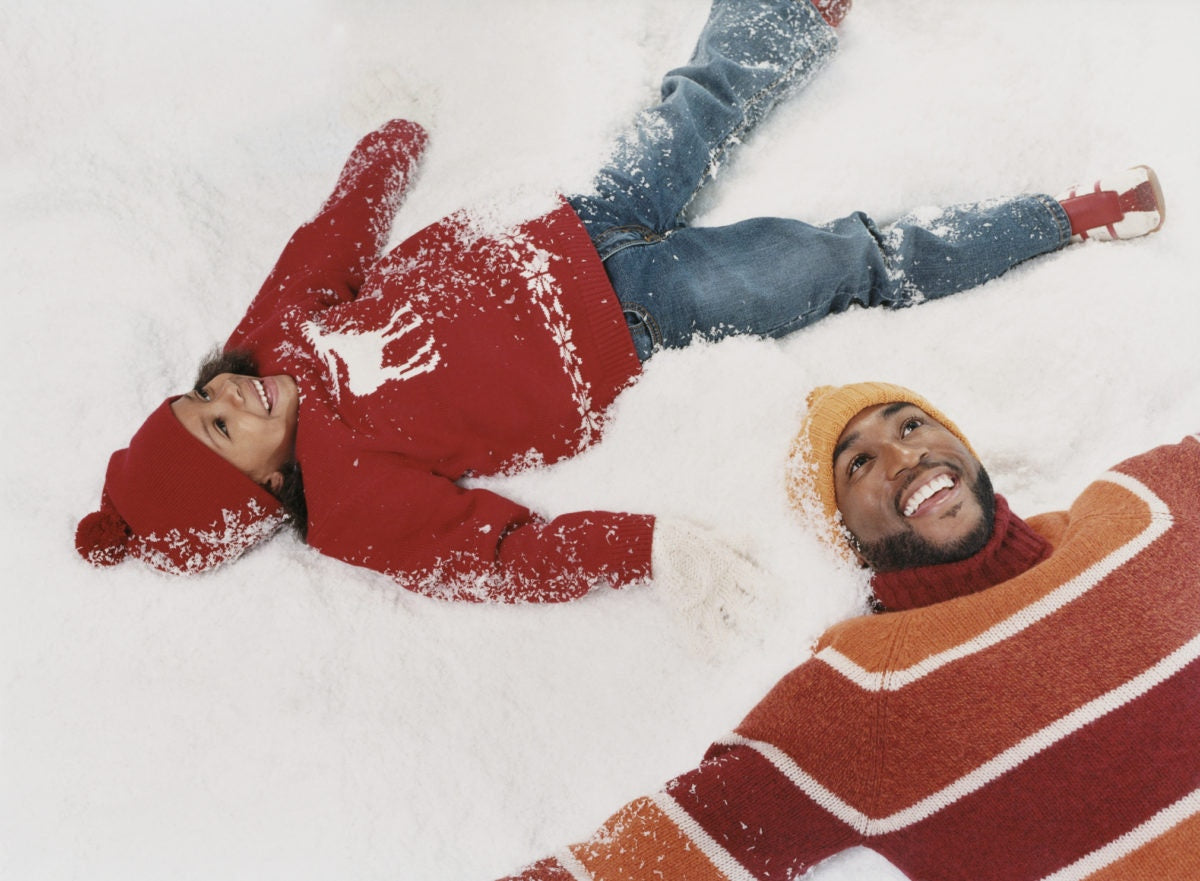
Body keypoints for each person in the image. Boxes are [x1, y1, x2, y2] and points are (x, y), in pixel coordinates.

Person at [75, 0, 1166, 604]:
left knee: (696, 102)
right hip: (640, 314)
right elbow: (497, 553)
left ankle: (788, 9)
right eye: (223, 426)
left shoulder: (276, 339)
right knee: (837, 261)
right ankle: (1063, 216)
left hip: (574, 221)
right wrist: (645, 549)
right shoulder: (355, 503)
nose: (230, 389)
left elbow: (331, 241)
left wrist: (390, 139)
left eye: (200, 394)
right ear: (265, 484)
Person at [493, 380, 1199, 880]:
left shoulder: (1149, 505)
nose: (904, 456)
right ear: (848, 537)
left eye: (912, 424)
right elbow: (662, 852)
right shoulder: (864, 696)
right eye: (858, 462)